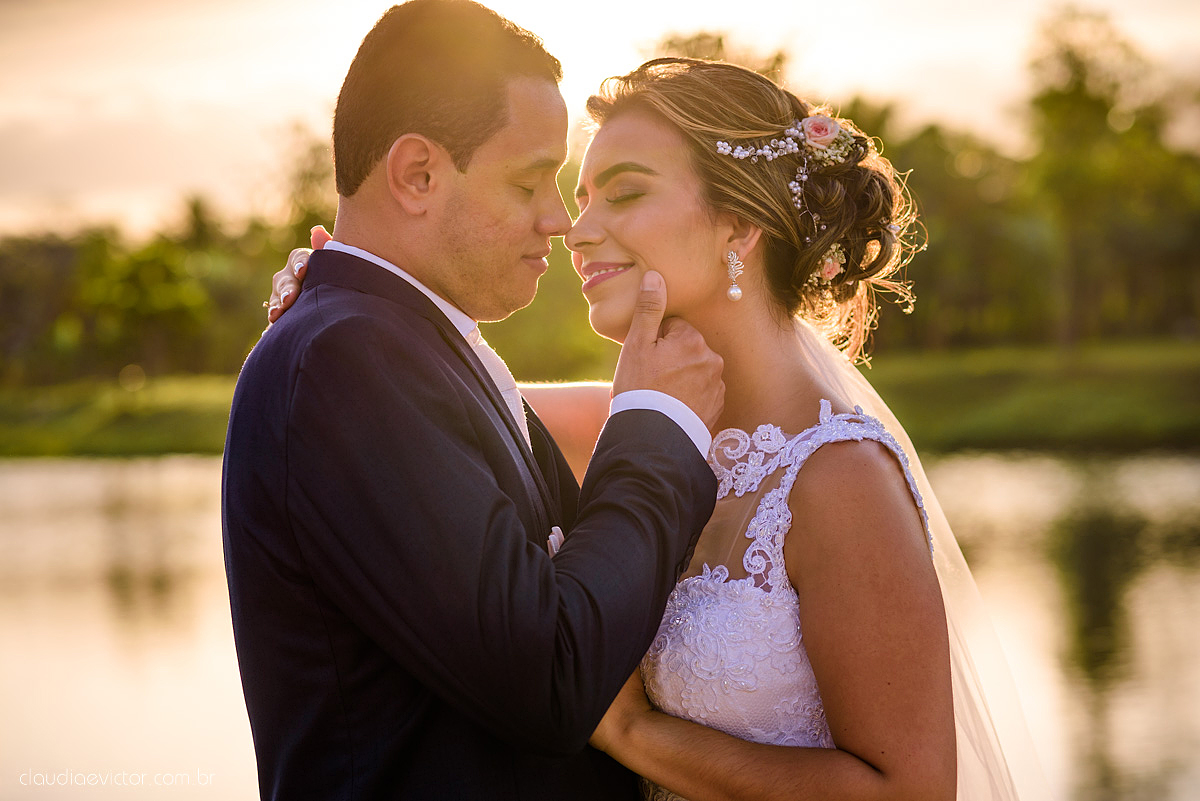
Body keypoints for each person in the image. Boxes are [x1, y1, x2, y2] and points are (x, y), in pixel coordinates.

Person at [272, 58, 1048, 801]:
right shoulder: (641, 423)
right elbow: (439, 405)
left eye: (624, 193)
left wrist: (635, 733)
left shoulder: (841, 476)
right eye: (583, 197)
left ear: (737, 224)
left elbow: (911, 790)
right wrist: (355, 305)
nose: (576, 230)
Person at [222, 3, 725, 800]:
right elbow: (550, 674)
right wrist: (659, 430)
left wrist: (673, 403)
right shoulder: (345, 359)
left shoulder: (393, 345)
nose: (558, 222)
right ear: (417, 173)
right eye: (530, 181)